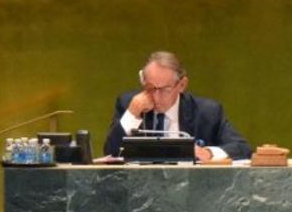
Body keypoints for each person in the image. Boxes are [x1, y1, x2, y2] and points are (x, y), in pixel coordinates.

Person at [103, 51, 252, 161]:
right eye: (149, 88)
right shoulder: (129, 103)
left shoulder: (207, 112)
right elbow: (111, 152)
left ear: (181, 85)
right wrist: (132, 114)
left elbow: (242, 148)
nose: (155, 96)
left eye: (165, 90)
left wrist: (208, 153)